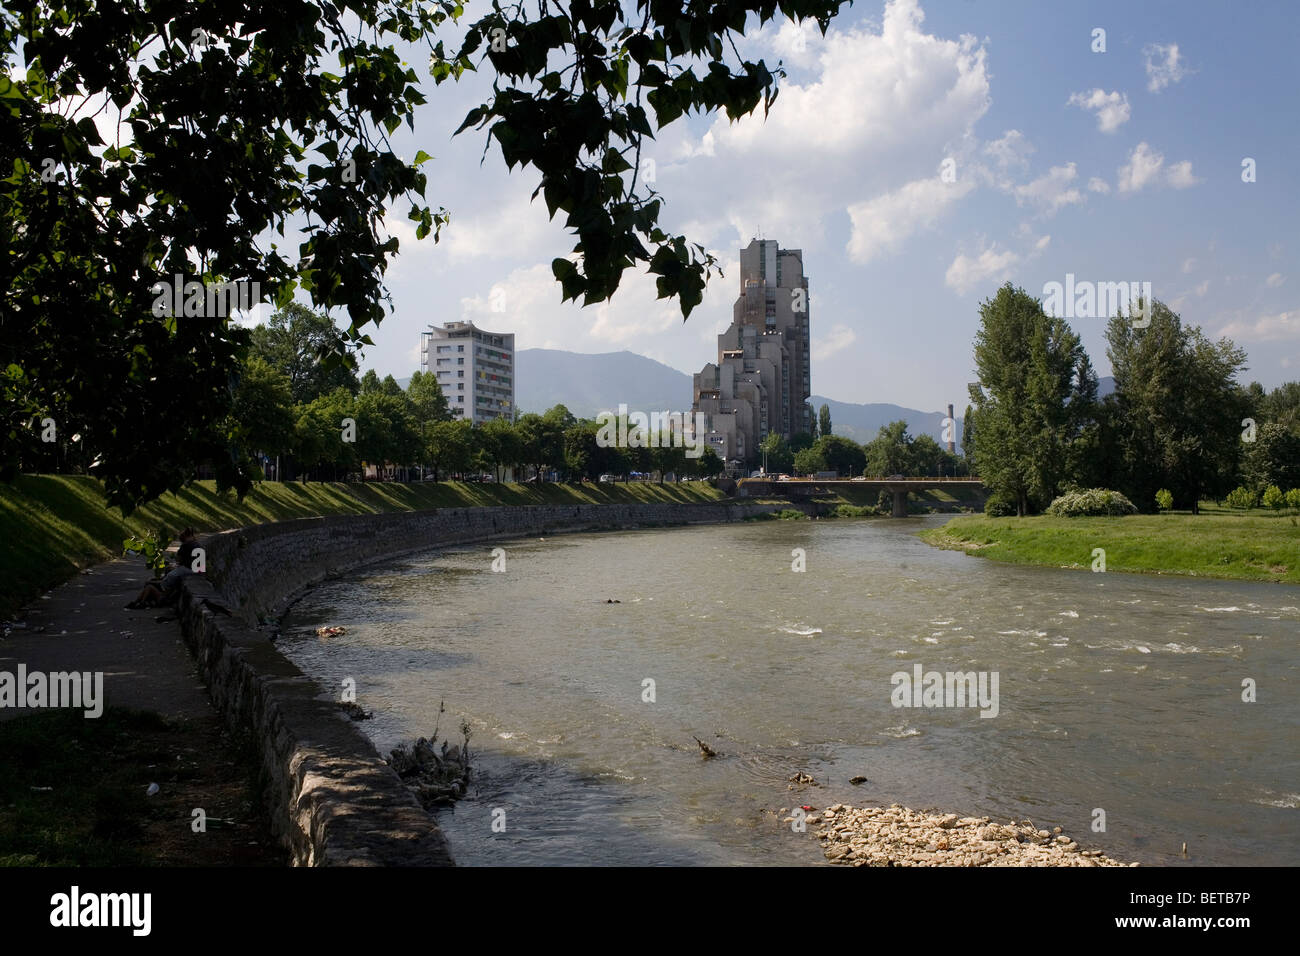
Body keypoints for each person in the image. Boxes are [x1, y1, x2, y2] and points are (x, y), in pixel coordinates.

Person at [125, 528, 201, 609]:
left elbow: (166, 581)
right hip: (192, 571)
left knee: (149, 586)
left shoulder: (185, 547)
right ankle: (138, 602)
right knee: (149, 584)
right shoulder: (197, 546)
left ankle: (141, 602)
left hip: (164, 596)